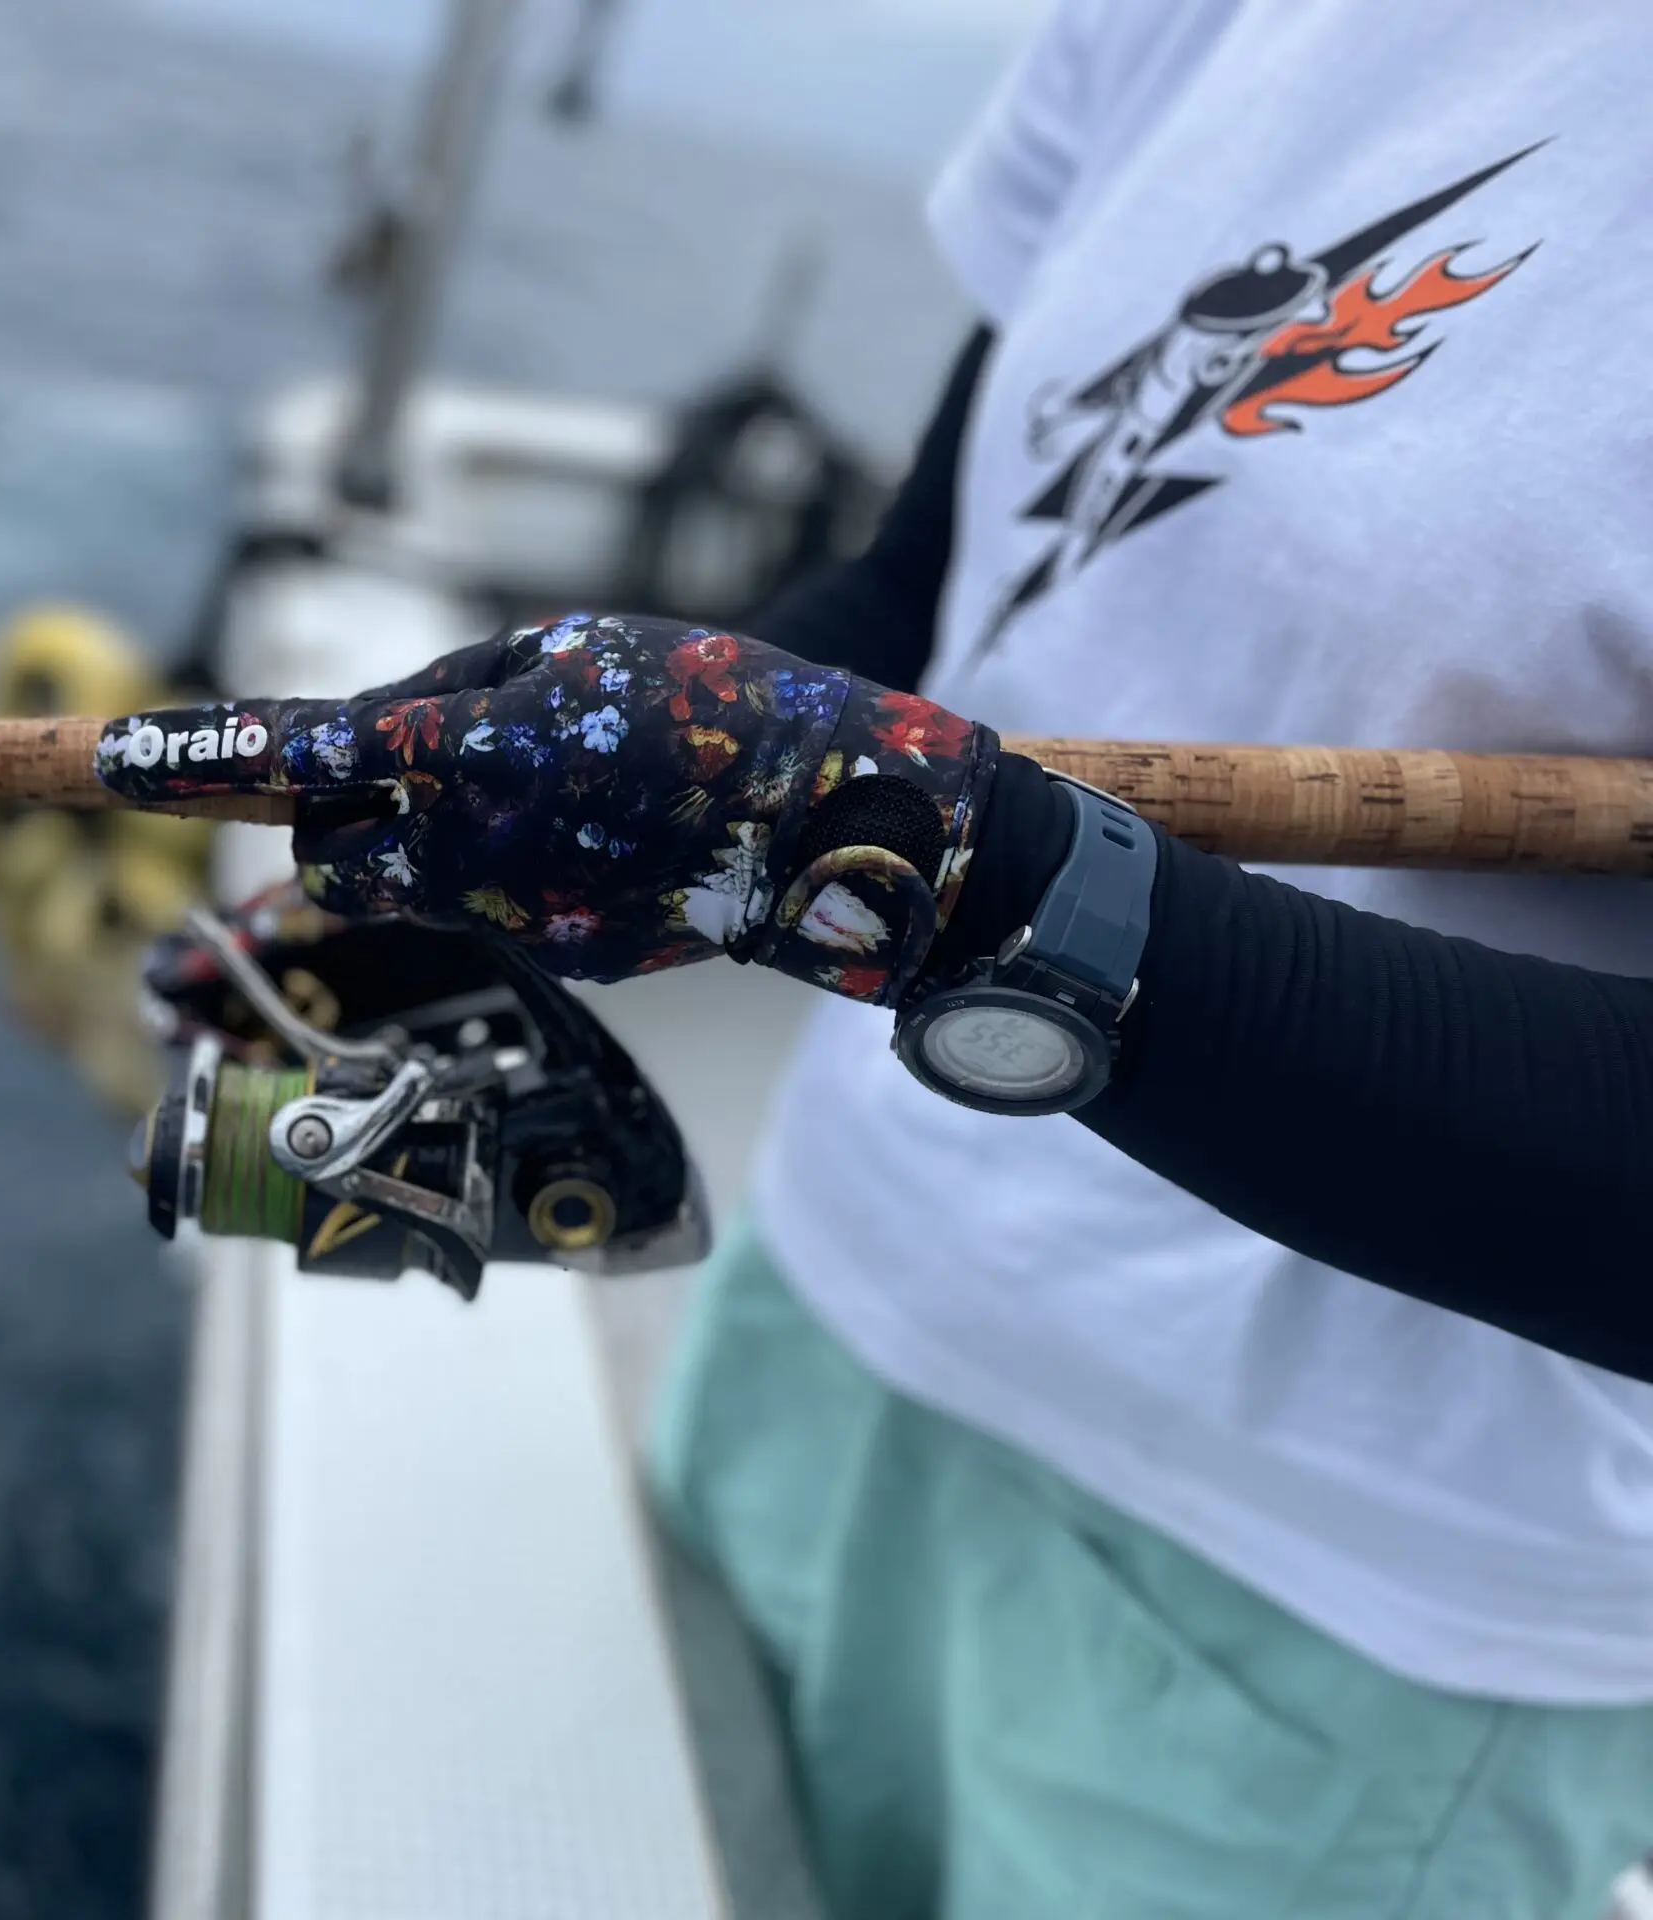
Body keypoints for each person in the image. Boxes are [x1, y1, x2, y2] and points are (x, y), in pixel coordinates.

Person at [100, 5, 1653, 1911]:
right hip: (829, 1310)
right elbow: (959, 569)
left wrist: (956, 883)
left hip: (1340, 1620)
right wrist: (509, 833)